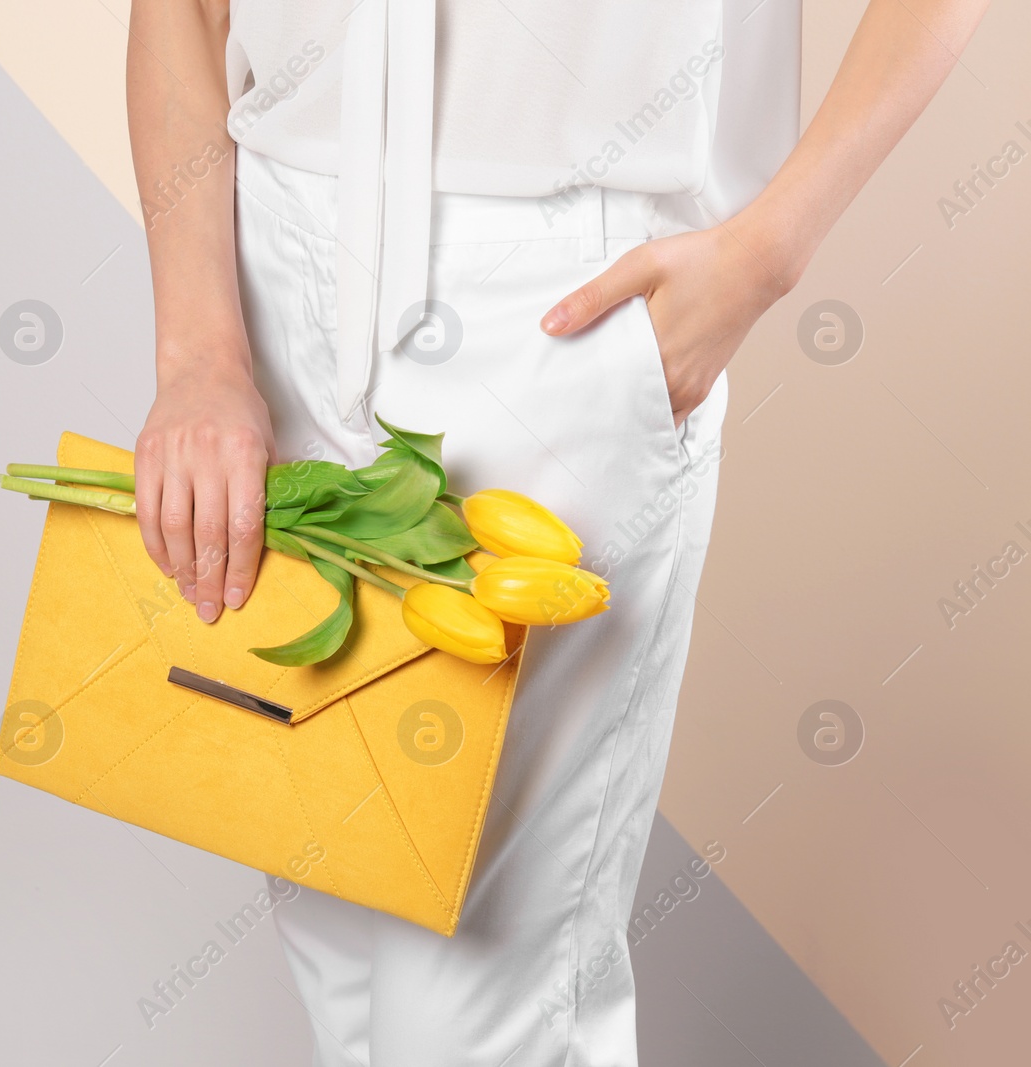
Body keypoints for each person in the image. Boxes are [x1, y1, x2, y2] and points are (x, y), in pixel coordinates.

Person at [124, 1, 990, 1063]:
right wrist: (198, 351)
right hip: (267, 274)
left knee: (479, 1013)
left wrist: (769, 248)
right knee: (339, 959)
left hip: (567, 295)